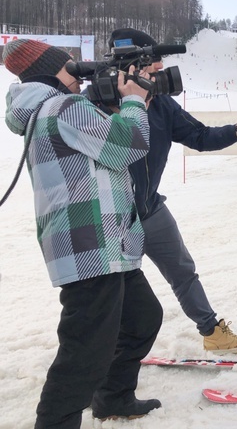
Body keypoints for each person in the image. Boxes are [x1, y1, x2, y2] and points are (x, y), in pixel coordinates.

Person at [3, 39, 163, 427]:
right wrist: (133, 101)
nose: (78, 77)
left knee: (143, 318)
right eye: (70, 68)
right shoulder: (62, 107)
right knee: (84, 353)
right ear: (50, 73)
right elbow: (129, 145)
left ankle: (114, 397)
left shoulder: (53, 109)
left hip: (106, 244)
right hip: (91, 247)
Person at [103, 28, 237, 354]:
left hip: (149, 209)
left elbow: (200, 137)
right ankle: (105, 355)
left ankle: (212, 332)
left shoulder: (162, 105)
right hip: (111, 218)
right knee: (113, 292)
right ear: (130, 69)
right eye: (153, 72)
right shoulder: (99, 105)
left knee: (183, 272)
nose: (159, 80)